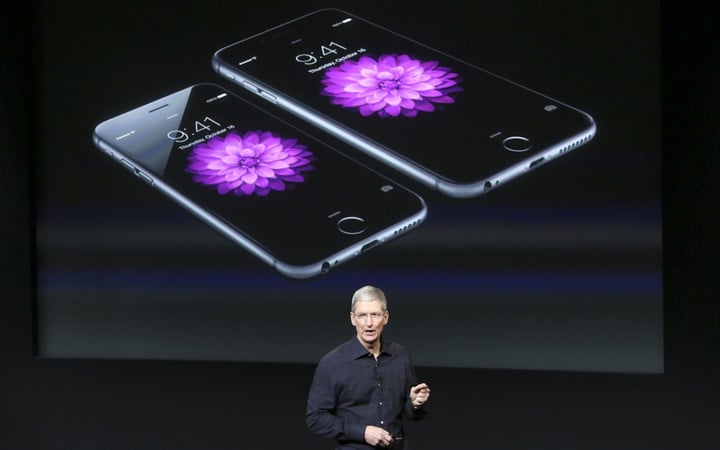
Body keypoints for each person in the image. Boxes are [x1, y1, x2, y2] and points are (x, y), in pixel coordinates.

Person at [306, 285, 430, 449]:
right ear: (352, 319)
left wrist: (414, 404)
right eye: (362, 316)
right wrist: (362, 432)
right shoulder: (332, 363)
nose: (369, 323)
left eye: (375, 315)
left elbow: (411, 413)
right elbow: (315, 418)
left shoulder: (400, 356)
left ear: (385, 317)